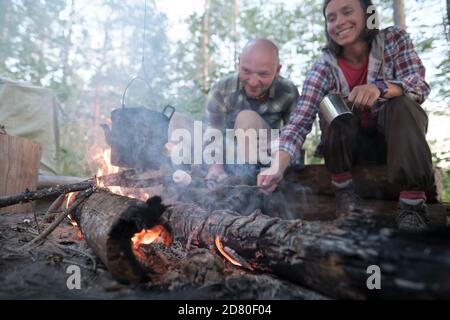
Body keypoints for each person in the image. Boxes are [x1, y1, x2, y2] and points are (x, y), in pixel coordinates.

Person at [258, 0, 434, 232]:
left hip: (394, 146)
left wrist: (381, 88)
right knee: (332, 106)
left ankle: (412, 204)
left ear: (368, 14)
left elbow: (418, 85)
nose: (339, 22)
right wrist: (277, 167)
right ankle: (344, 189)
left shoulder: (393, 40)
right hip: (350, 153)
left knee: (402, 103)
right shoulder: (323, 67)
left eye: (347, 12)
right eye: (331, 18)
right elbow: (299, 122)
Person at [204, 39, 299, 186]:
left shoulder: (288, 91)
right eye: (246, 71)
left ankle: (250, 185)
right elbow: (213, 131)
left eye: (263, 74)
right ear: (238, 64)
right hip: (230, 155)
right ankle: (236, 182)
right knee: (182, 125)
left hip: (269, 155)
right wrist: (216, 167)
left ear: (278, 70)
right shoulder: (221, 89)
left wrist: (277, 159)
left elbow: (295, 133)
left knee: (247, 118)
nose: (253, 82)